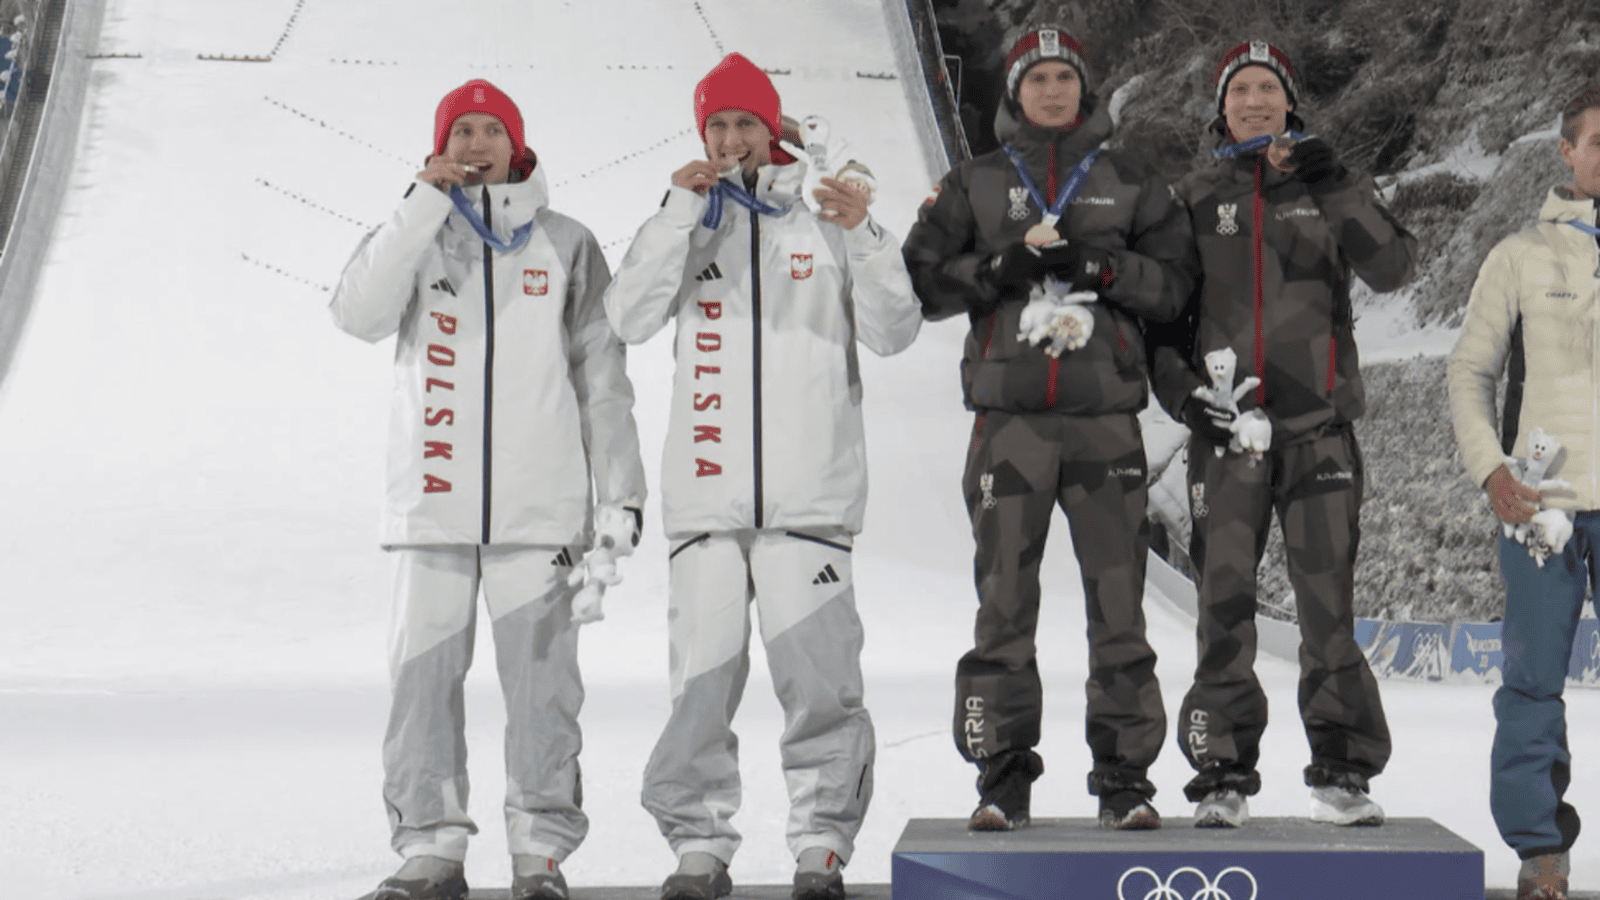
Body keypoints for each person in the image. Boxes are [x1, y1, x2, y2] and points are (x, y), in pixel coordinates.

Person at [604, 52, 921, 900]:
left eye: (747, 123)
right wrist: (679, 211)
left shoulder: (823, 217)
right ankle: (699, 846)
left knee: (820, 689)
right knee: (698, 693)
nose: (733, 138)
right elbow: (627, 317)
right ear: (701, 133)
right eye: (718, 125)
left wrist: (863, 232)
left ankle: (820, 843)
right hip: (707, 506)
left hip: (808, 503)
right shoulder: (685, 220)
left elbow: (896, 331)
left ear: (772, 128)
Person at [330, 78, 646, 900]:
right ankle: (430, 848)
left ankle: (539, 850)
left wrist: (620, 494)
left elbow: (603, 380)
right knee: (420, 688)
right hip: (429, 511)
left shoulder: (568, 243)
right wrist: (416, 209)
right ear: (439, 147)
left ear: (518, 146)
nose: (474, 145)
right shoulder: (412, 234)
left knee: (545, 695)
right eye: (460, 131)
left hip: (538, 516)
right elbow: (358, 313)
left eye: (489, 131)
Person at [902, 25, 1195, 832]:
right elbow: (923, 280)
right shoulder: (976, 182)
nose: (1054, 90)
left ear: (1086, 88)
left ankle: (1126, 780)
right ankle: (1001, 777)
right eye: (1039, 78)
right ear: (1015, 92)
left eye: (1067, 76)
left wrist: (1104, 269)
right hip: (1011, 425)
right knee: (1002, 607)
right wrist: (997, 271)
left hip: (1105, 425)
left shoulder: (1135, 182)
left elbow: (1174, 290)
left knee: (1121, 609)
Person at [1146, 40, 1416, 829]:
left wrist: (1334, 183)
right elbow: (1164, 327)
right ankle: (1222, 773)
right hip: (1227, 435)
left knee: (1326, 604)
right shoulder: (1192, 198)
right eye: (1241, 90)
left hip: (1320, 432)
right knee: (1222, 602)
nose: (1255, 101)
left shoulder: (1329, 186)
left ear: (1289, 102)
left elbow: (1395, 268)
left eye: (1268, 88)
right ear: (1221, 107)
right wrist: (1187, 402)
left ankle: (1342, 769)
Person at [1447, 83, 1600, 900]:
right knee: (1533, 684)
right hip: (1543, 504)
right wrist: (1492, 470)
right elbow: (1470, 372)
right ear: (1568, 153)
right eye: (1599, 142)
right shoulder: (1519, 255)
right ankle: (1541, 850)